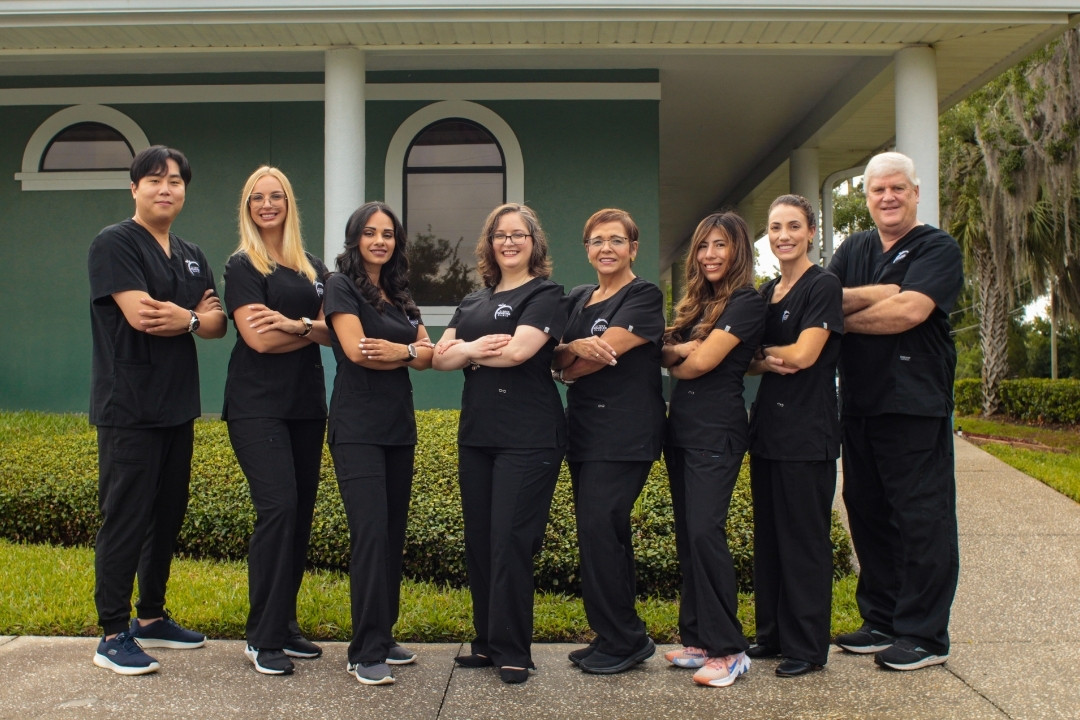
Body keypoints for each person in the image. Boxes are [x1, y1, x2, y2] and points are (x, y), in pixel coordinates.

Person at [88, 145, 226, 675]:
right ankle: (111, 633)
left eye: (175, 181)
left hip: (177, 406)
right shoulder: (115, 243)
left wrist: (186, 318)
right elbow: (143, 315)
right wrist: (193, 316)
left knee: (166, 515)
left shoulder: (190, 253)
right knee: (126, 516)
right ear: (135, 188)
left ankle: (150, 617)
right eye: (154, 180)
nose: (165, 189)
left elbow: (216, 323)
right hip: (130, 405)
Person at [827, 151, 963, 671]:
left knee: (921, 516)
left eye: (897, 188)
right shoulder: (855, 248)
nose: (888, 197)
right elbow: (824, 299)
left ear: (915, 193)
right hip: (860, 403)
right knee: (866, 509)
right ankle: (881, 618)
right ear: (867, 197)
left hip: (914, 404)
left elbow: (909, 311)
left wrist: (849, 314)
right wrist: (880, 293)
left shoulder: (936, 247)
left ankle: (925, 634)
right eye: (878, 190)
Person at [432, 203, 567, 684]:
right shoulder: (473, 300)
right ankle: (487, 643)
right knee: (482, 541)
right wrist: (470, 350)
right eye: (500, 235)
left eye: (518, 235)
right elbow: (438, 358)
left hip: (528, 436)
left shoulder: (546, 293)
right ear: (489, 244)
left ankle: (514, 650)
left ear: (534, 243)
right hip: (478, 436)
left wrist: (466, 353)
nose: (509, 242)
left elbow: (518, 352)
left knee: (511, 541)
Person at [222, 166, 331, 676]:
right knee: (279, 508)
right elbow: (258, 339)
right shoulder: (244, 265)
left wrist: (297, 325)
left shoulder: (314, 268)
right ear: (248, 207)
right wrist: (309, 329)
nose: (267, 204)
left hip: (306, 405)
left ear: (289, 203)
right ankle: (261, 637)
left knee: (300, 514)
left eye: (276, 196)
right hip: (256, 405)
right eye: (257, 198)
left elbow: (337, 330)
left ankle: (284, 624)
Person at [323, 202, 434, 686]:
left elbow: (428, 355)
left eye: (387, 234)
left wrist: (401, 351)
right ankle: (364, 650)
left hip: (397, 427)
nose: (379, 241)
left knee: (391, 534)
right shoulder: (340, 286)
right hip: (357, 428)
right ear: (355, 239)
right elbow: (356, 351)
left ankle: (384, 636)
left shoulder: (400, 292)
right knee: (369, 535)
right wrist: (408, 351)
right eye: (370, 233)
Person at [552, 208, 665, 675]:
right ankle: (612, 634)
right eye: (597, 240)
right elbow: (554, 355)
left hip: (625, 432)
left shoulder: (644, 295)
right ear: (586, 249)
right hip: (583, 430)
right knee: (600, 533)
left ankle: (626, 639)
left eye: (616, 240)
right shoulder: (580, 298)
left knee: (601, 527)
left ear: (633, 248)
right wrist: (571, 350)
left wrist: (570, 360)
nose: (606, 248)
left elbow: (604, 355)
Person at [660, 211, 764, 688]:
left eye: (720, 245)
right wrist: (680, 351)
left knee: (705, 532)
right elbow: (664, 350)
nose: (709, 255)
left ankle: (730, 649)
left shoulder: (746, 301)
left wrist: (683, 356)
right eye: (703, 246)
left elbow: (697, 363)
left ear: (738, 250)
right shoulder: (697, 304)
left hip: (717, 431)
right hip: (681, 430)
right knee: (689, 537)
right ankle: (699, 639)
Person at [746, 194, 843, 677]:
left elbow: (805, 355)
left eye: (793, 226)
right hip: (768, 430)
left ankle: (806, 646)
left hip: (807, 432)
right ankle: (773, 635)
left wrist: (764, 354)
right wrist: (766, 357)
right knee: (770, 538)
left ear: (811, 232)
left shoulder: (822, 285)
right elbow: (745, 359)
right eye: (775, 227)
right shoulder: (766, 292)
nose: (783, 235)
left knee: (804, 539)